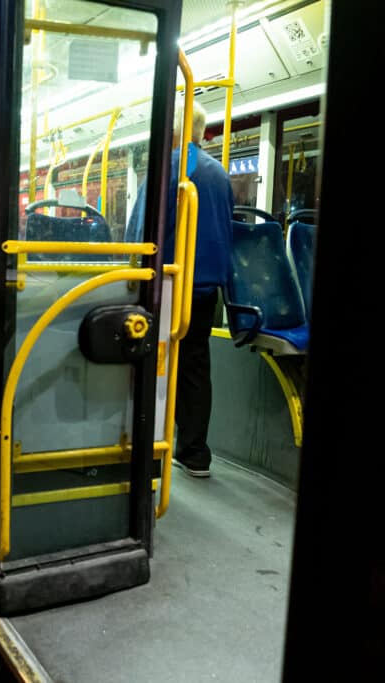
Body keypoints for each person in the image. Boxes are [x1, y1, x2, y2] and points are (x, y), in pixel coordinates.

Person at [126, 99, 234, 478]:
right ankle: (195, 452)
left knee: (155, 366)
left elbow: (139, 234)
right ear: (201, 132)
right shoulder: (220, 173)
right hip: (206, 290)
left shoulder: (166, 169)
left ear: (171, 132)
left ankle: (149, 452)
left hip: (168, 287)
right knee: (194, 367)